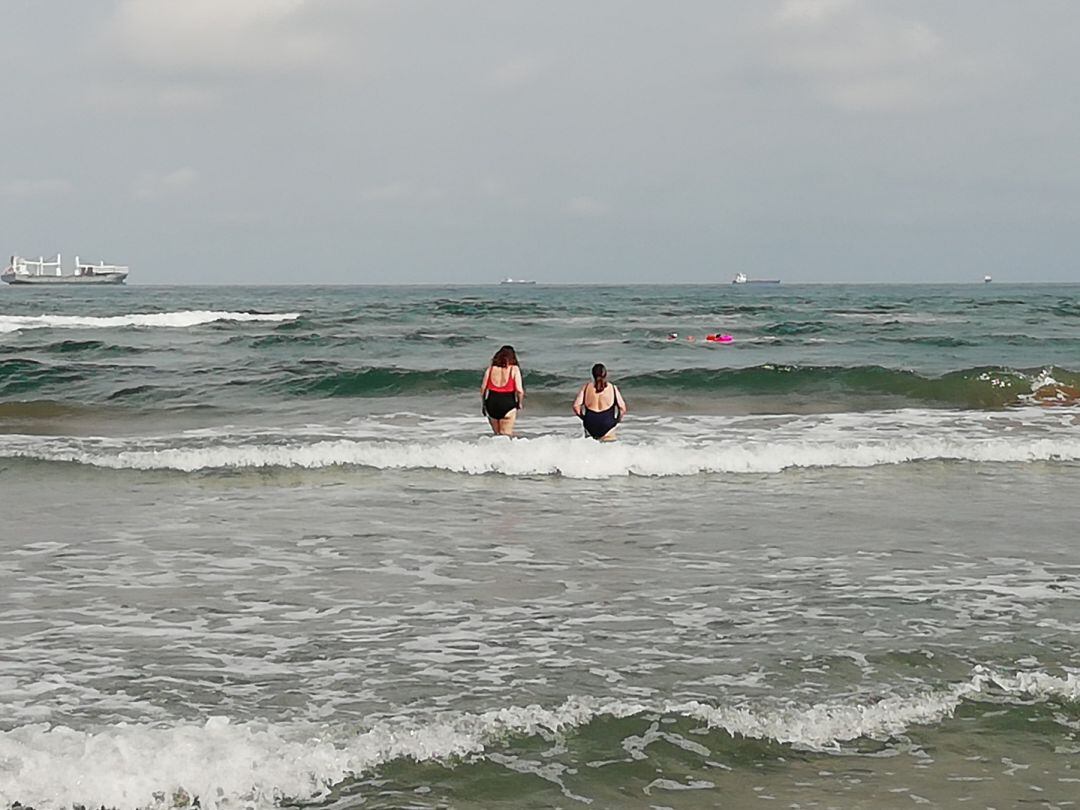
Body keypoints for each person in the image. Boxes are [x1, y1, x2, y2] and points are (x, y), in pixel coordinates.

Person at [573, 363, 627, 441]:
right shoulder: (612, 388)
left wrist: (583, 417)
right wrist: (617, 420)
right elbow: (622, 408)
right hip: (607, 423)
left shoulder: (586, 387)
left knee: (590, 449)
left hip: (590, 423)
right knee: (608, 449)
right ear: (605, 374)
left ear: (593, 375)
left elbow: (576, 406)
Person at [480, 345, 525, 436]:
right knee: (506, 436)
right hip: (508, 403)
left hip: (492, 404)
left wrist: (484, 404)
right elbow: (520, 390)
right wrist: (519, 403)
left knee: (497, 435)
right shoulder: (514, 369)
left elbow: (483, 389)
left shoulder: (490, 369)